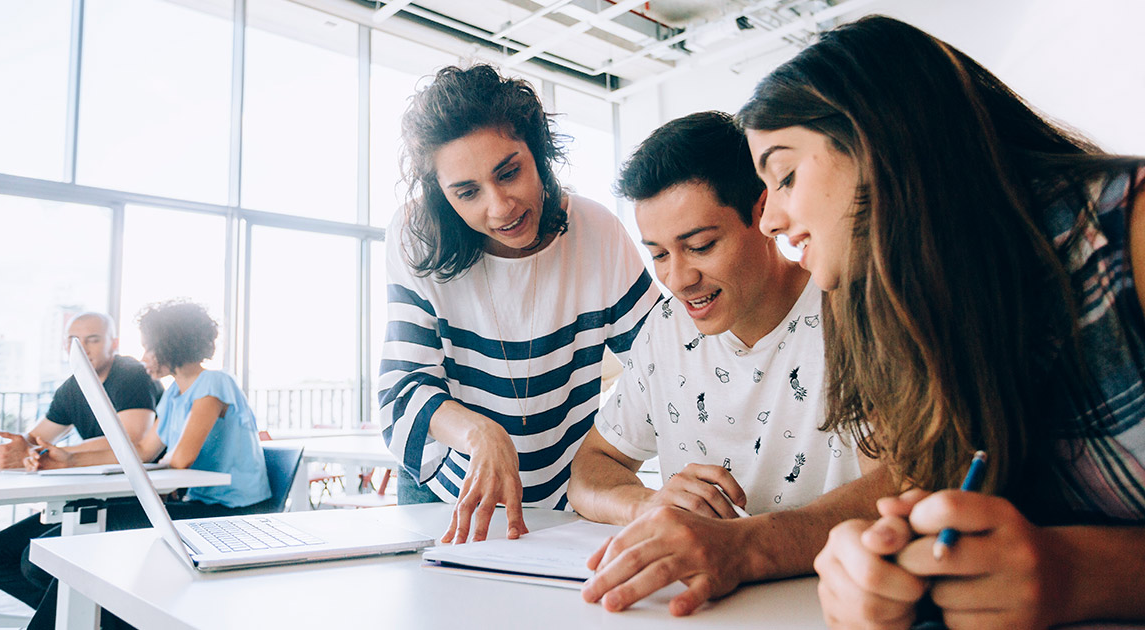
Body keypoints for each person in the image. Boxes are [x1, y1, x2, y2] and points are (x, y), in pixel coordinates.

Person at [738, 15, 1145, 629]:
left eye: (786, 175)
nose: (769, 222)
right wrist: (885, 567)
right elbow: (930, 496)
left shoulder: (1129, 233)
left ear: (883, 140)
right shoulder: (896, 309)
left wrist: (1078, 573)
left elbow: (1055, 564)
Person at [569, 111, 889, 616]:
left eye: (700, 246)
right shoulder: (663, 330)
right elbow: (590, 469)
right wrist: (648, 504)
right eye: (658, 254)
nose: (678, 278)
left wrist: (744, 545)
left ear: (763, 211)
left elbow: (904, 480)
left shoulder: (852, 309)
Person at [379, 64, 660, 544]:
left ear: (539, 152)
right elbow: (403, 391)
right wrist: (478, 433)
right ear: (443, 196)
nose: (500, 207)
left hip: (565, 493)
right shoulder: (417, 237)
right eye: (467, 192)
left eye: (509, 172)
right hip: (448, 495)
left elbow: (665, 363)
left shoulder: (596, 232)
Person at [23, 300, 270, 629]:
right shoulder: (173, 396)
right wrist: (68, 457)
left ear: (170, 345)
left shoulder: (214, 383)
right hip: (199, 504)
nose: (143, 358)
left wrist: (156, 464)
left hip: (230, 511)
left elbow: (182, 458)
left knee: (80, 542)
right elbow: (141, 449)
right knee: (64, 547)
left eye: (148, 348)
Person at [0, 312, 162, 612]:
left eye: (93, 339)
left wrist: (50, 454)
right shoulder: (73, 386)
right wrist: (2, 449)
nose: (83, 347)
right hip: (92, 497)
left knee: (34, 561)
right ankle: (89, 619)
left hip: (137, 499)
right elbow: (36, 438)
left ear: (113, 343)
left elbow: (130, 439)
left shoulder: (131, 373)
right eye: (74, 341)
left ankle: (89, 617)